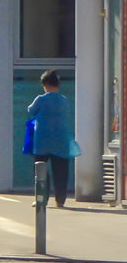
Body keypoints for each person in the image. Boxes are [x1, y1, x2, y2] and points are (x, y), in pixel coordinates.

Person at [27, 70, 81, 208]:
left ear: (45, 84)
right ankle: (60, 200)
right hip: (61, 138)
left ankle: (42, 198)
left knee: (40, 170)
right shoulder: (64, 100)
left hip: (42, 139)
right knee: (61, 171)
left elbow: (31, 111)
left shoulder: (41, 99)